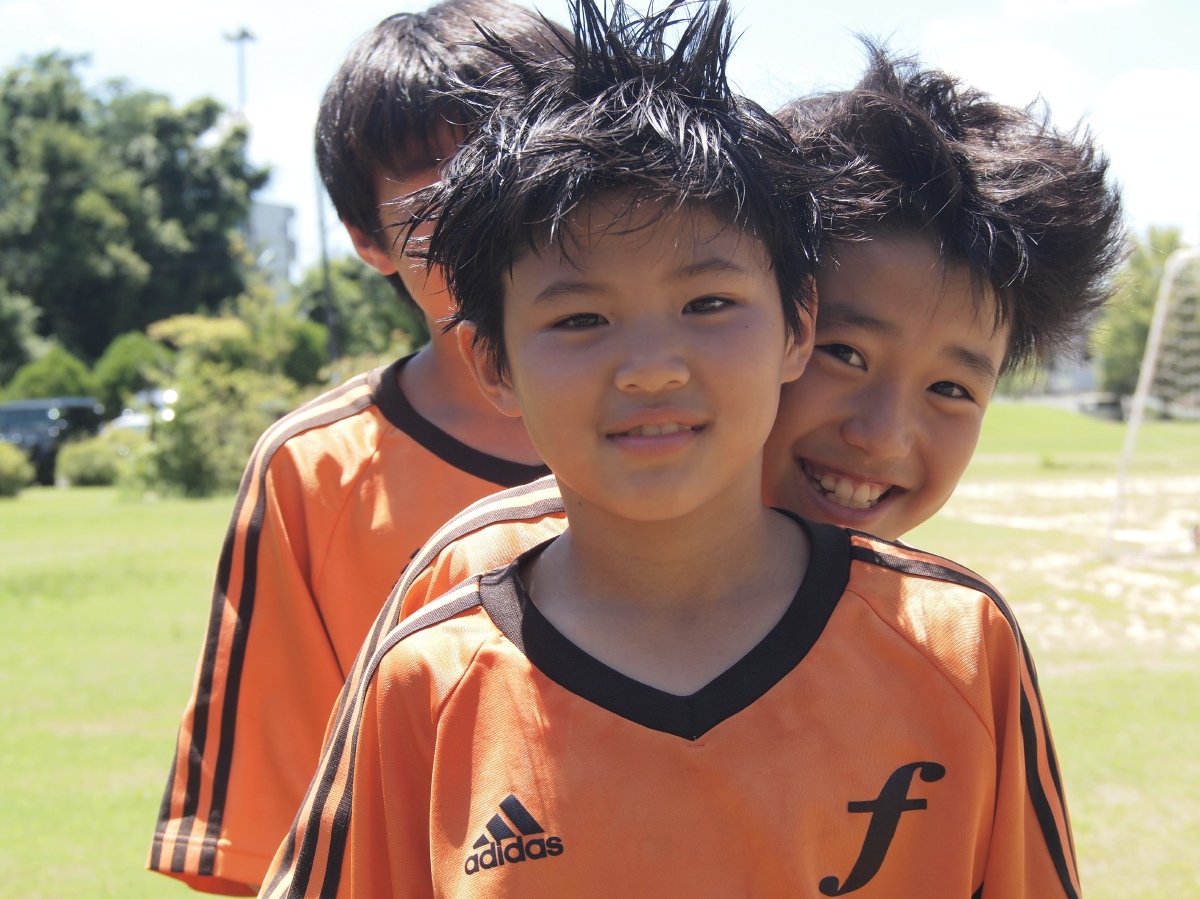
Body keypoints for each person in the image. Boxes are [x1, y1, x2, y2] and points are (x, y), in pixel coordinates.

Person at [258, 3, 1094, 896]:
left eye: (952, 388)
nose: (882, 433)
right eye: (848, 355)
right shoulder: (453, 615)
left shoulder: (951, 641)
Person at [147, 4, 563, 893]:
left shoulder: (723, 421)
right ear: (367, 238)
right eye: (436, 196)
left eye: (523, 169)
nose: (487, 214)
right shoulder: (318, 470)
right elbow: (260, 835)